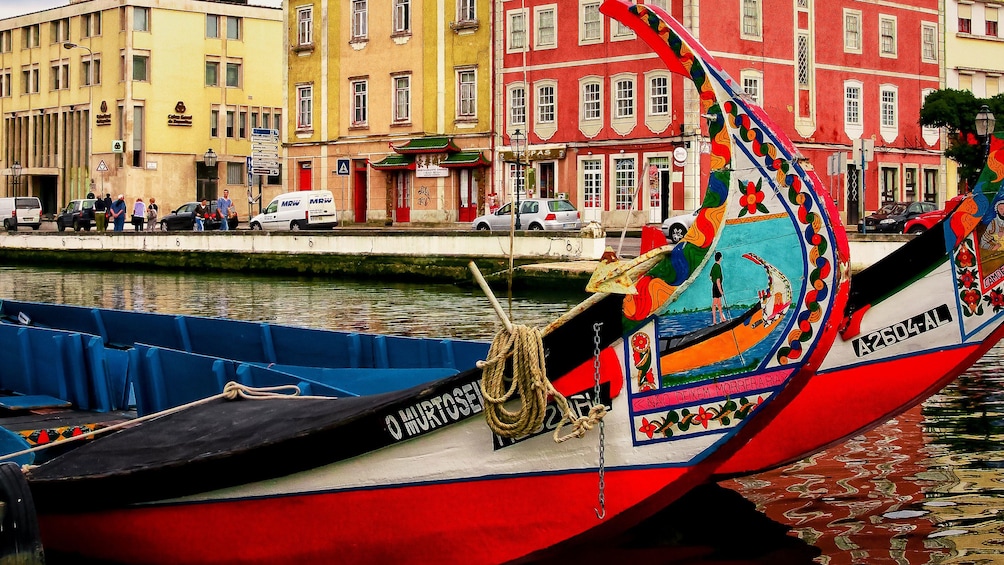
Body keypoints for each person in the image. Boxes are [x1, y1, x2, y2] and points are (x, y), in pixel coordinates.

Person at [710, 251, 725, 323]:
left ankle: (721, 318)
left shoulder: (714, 266)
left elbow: (710, 276)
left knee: (719, 304)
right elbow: (718, 280)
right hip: (717, 286)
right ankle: (714, 320)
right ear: (720, 258)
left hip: (714, 286)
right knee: (715, 304)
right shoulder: (717, 267)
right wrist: (721, 290)